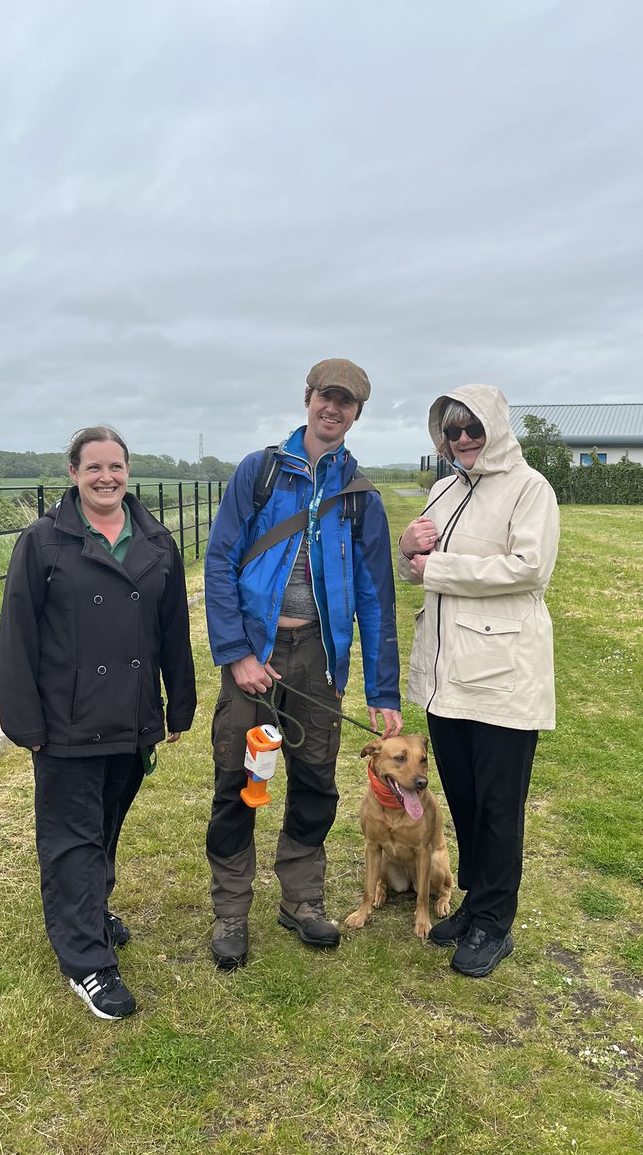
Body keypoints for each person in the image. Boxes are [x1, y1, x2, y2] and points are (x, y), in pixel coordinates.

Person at [203, 359, 403, 969]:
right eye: (325, 397)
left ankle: (302, 900)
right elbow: (220, 563)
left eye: (346, 402)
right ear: (308, 398)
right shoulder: (259, 473)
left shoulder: (360, 497)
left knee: (314, 784)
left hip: (319, 655)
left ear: (357, 414)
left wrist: (383, 689)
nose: (333, 409)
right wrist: (238, 653)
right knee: (242, 782)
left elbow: (375, 595)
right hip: (258, 652)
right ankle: (231, 910)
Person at [0, 425, 196, 1019]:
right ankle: (88, 962)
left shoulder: (157, 541)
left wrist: (177, 705)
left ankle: (88, 908)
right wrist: (23, 722)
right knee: (71, 839)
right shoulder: (43, 542)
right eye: (93, 468)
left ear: (128, 471)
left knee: (104, 827)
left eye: (116, 467)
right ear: (73, 474)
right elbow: (19, 636)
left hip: (131, 717)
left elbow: (173, 633)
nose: (106, 478)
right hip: (65, 722)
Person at [397, 385, 559, 978]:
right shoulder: (443, 490)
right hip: (448, 678)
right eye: (450, 430)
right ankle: (474, 902)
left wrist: (436, 565)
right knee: (462, 798)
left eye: (472, 428)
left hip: (502, 679)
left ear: (494, 427)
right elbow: (419, 571)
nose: (461, 439)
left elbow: (528, 568)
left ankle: (496, 921)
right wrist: (407, 547)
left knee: (498, 805)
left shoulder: (529, 489)